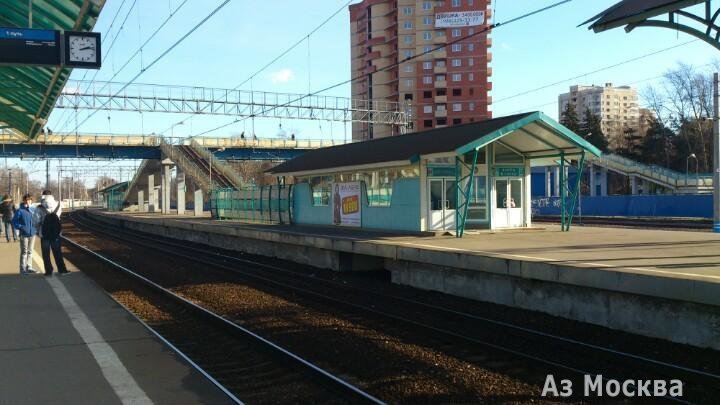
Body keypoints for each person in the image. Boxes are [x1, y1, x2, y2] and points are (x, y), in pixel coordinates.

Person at [35, 190, 69, 276]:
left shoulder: (39, 207)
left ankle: (48, 271)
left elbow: (36, 221)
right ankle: (62, 270)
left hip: (44, 233)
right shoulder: (57, 204)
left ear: (43, 196)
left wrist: (38, 230)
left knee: (46, 253)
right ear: (51, 195)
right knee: (57, 252)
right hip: (55, 232)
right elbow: (58, 217)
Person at [11, 194, 37, 275]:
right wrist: (21, 227)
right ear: (24, 200)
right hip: (24, 234)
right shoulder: (20, 210)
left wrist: (35, 228)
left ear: (31, 201)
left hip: (32, 233)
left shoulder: (33, 209)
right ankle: (22, 269)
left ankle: (29, 267)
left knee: (30, 251)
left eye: (29, 200)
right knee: (24, 252)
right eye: (26, 200)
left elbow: (37, 219)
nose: (28, 201)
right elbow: (14, 222)